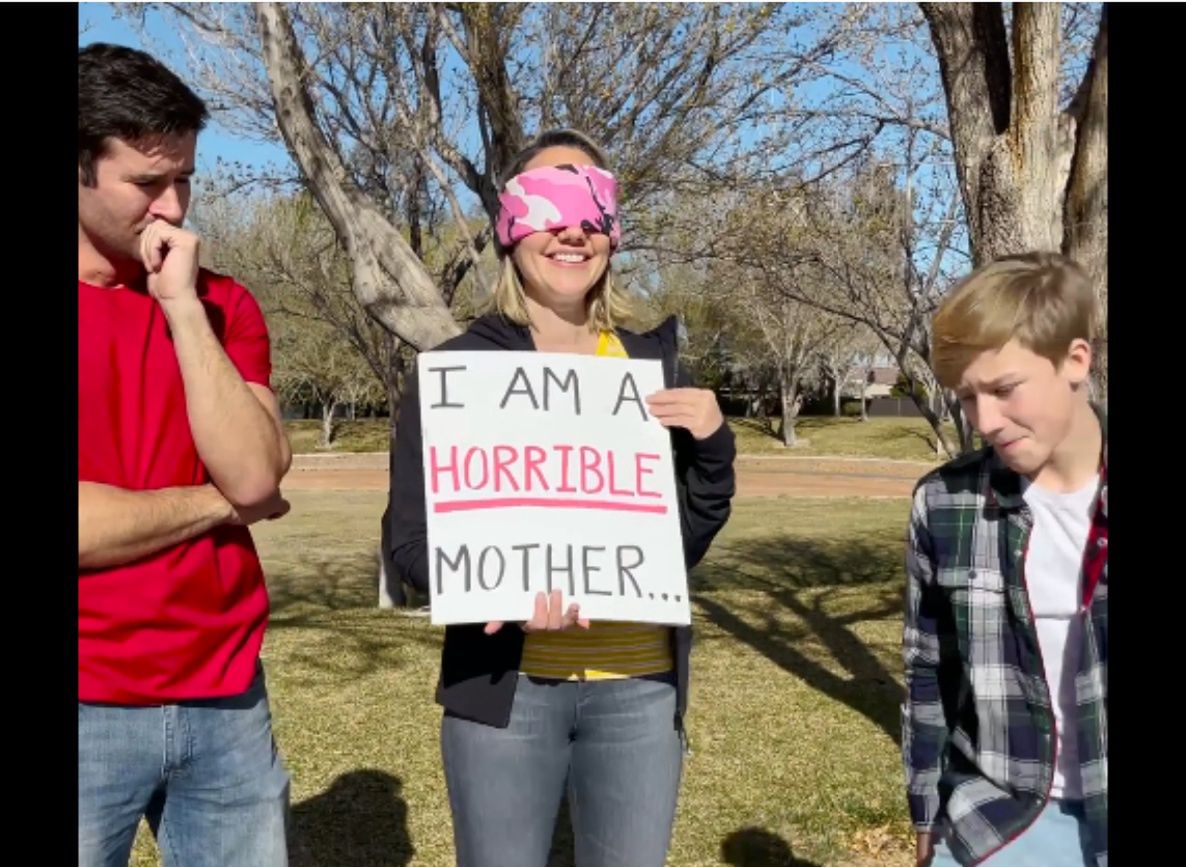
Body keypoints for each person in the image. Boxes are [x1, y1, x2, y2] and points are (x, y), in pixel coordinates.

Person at [385, 128, 736, 867]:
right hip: (502, 694)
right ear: (511, 226)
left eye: (592, 207)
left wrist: (712, 445)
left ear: (611, 229)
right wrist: (500, 587)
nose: (572, 229)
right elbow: (408, 547)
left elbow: (679, 545)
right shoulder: (454, 375)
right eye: (550, 204)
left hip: (640, 689)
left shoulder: (648, 364)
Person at [78, 43, 293, 867]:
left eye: (186, 180)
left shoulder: (222, 303)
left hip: (227, 692)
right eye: (146, 183)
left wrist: (180, 310)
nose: (172, 208)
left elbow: (252, 471)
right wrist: (221, 508)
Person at [901, 252, 1107, 866]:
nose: (985, 420)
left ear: (1075, 360)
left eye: (1004, 389)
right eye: (967, 398)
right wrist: (925, 820)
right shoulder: (945, 503)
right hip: (999, 819)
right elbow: (926, 675)